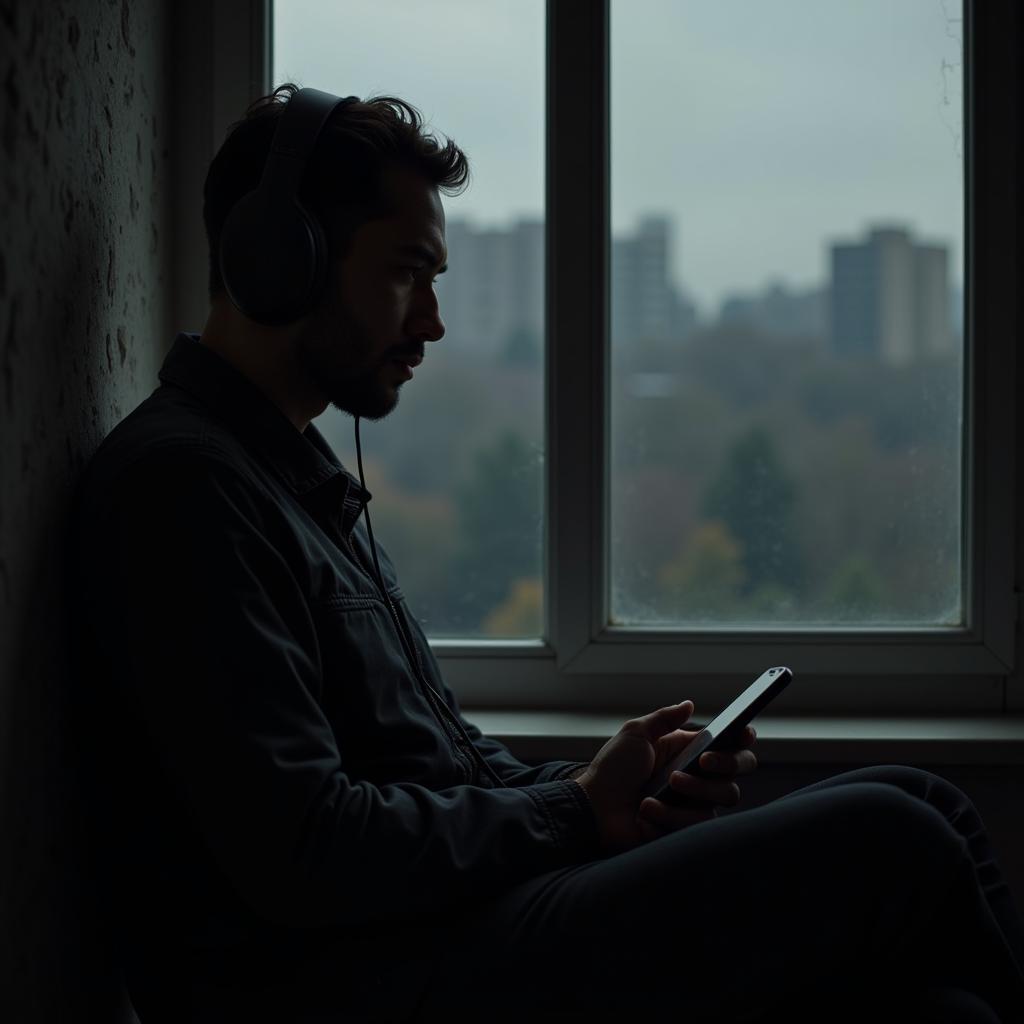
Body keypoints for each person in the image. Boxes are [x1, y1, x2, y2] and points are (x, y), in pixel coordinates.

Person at [70, 84, 1024, 1024]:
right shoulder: (185, 491)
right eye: (409, 272)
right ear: (280, 259)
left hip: (441, 930)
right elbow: (308, 847)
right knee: (892, 836)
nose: (433, 322)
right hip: (365, 976)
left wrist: (596, 785)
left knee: (920, 803)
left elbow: (432, 759)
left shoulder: (290, 477)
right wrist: (569, 814)